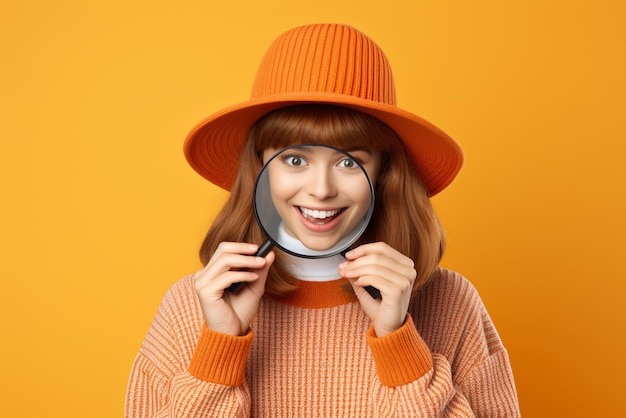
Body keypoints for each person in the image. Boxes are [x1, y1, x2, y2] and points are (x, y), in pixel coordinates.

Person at [125, 23, 520, 417]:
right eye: (295, 159)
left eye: (350, 161)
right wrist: (220, 347)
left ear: (383, 170)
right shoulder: (188, 309)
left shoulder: (451, 303)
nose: (321, 189)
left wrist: (399, 343)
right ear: (260, 165)